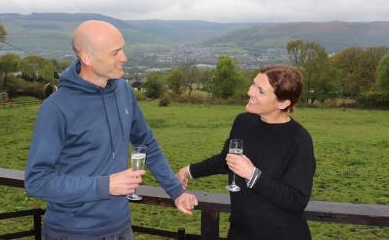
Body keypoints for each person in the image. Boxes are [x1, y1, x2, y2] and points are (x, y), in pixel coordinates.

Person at [25, 20, 198, 240]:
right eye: (115, 52)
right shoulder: (56, 108)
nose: (124, 57)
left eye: (122, 49)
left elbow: (147, 145)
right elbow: (37, 182)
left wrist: (177, 191)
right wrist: (106, 185)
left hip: (121, 228)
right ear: (87, 58)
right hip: (73, 232)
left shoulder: (123, 90)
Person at [177, 65, 316, 240]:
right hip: (240, 232)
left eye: (261, 91)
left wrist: (253, 175)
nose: (250, 91)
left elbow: (297, 200)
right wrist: (188, 171)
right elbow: (225, 160)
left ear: (283, 103)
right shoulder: (243, 121)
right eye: (253, 84)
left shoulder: (299, 139)